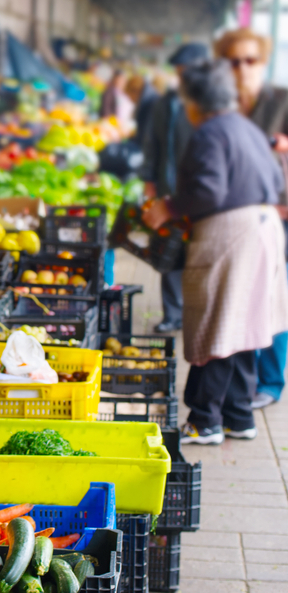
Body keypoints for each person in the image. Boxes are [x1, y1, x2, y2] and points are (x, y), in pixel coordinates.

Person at [142, 60, 288, 445]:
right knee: (244, 324)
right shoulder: (248, 128)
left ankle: (205, 420)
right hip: (264, 227)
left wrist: (169, 208)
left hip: (231, 233)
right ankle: (239, 416)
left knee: (216, 322)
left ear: (193, 102)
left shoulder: (209, 133)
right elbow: (276, 180)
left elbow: (209, 191)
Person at [215, 27, 288, 409]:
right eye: (233, 61)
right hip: (235, 215)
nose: (242, 68)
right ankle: (240, 386)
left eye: (250, 60)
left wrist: (281, 143)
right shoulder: (223, 104)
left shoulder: (281, 100)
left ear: (262, 61)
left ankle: (271, 382)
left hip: (279, 211)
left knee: (273, 295)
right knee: (241, 296)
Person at [140, 43, 210, 334]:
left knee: (198, 256)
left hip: (199, 193)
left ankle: (197, 315)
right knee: (168, 251)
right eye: (179, 73)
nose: (181, 79)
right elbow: (152, 143)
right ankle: (172, 314)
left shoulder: (210, 104)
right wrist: (149, 179)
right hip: (169, 191)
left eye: (186, 72)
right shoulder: (165, 102)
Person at [125, 74, 159, 145]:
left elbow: (146, 134)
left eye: (129, 96)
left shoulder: (149, 103)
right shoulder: (149, 99)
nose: (130, 100)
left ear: (135, 91)